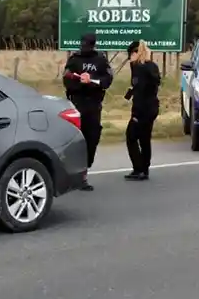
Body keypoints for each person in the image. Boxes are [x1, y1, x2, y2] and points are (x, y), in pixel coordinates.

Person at [63, 32, 113, 190]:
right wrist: (79, 81)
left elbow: (107, 80)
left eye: (87, 44)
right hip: (76, 104)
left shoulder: (101, 60)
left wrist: (91, 81)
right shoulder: (74, 59)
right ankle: (77, 177)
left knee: (92, 139)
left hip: (93, 104)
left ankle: (85, 168)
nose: (84, 47)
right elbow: (66, 79)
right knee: (75, 140)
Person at [123, 40, 161, 181]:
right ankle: (144, 169)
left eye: (130, 55)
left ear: (135, 53)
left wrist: (136, 114)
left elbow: (141, 92)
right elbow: (147, 87)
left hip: (142, 109)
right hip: (153, 107)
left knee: (131, 136)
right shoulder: (152, 66)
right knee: (145, 139)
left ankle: (138, 168)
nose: (129, 59)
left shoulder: (139, 68)